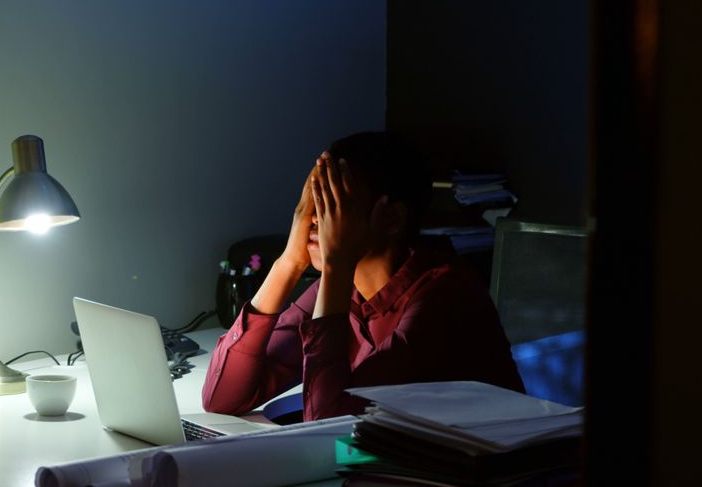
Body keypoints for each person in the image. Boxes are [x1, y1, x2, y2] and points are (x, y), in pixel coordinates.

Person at [202, 132, 523, 422]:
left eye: (335, 205)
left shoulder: (446, 296)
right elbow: (222, 398)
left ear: (393, 218)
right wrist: (288, 262)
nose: (316, 220)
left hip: (484, 480)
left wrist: (336, 266)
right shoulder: (345, 290)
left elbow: (327, 425)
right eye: (314, 203)